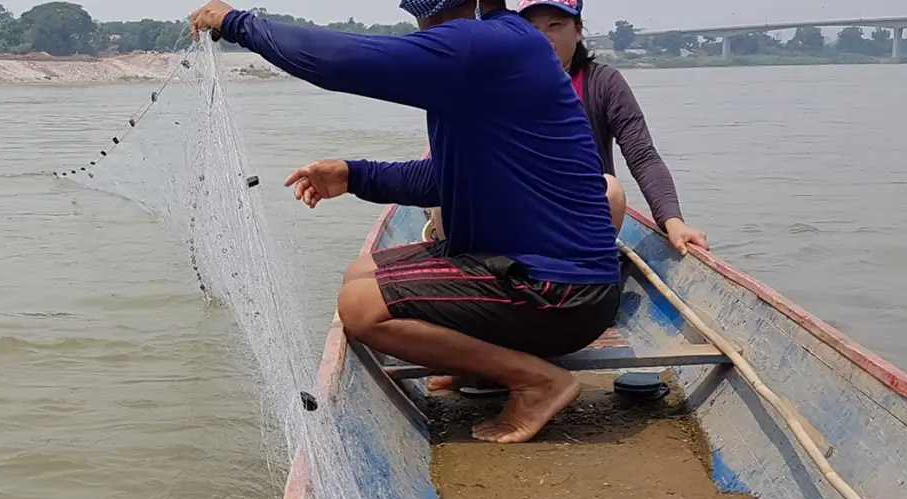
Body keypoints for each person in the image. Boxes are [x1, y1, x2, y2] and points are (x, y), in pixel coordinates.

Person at [188, 0, 621, 444]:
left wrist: (238, 23)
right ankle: (485, 363)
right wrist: (355, 175)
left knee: (360, 307)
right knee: (361, 273)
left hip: (560, 289)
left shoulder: (479, 44)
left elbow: (339, 60)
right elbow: (446, 178)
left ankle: (537, 381)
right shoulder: (499, 40)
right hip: (538, 268)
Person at [517, 0, 709, 255]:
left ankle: (586, 271)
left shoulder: (604, 83)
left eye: (555, 25)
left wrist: (672, 220)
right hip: (521, 211)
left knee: (611, 190)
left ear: (578, 29)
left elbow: (642, 156)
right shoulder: (505, 84)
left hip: (583, 213)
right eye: (532, 28)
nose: (542, 37)